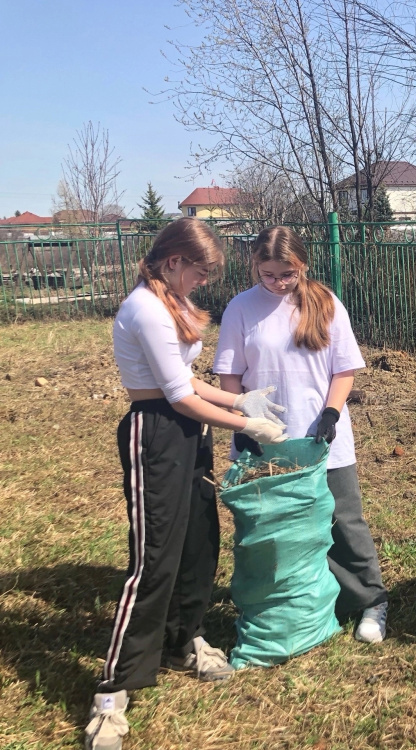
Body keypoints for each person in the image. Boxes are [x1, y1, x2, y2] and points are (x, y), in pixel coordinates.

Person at [86, 218, 288, 750]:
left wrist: (239, 398)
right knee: (153, 561)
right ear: (175, 260)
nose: (201, 281)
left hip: (188, 430)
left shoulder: (168, 302)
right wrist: (247, 424)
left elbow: (189, 380)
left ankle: (184, 640)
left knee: (198, 541)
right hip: (155, 433)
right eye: (199, 271)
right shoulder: (146, 308)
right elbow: (174, 394)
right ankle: (111, 695)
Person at [214, 225, 389, 647]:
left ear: (302, 266)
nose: (277, 283)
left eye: (287, 274)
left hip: (320, 437)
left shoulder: (326, 303)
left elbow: (343, 369)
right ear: (254, 265)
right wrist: (244, 423)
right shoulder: (240, 308)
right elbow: (228, 375)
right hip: (264, 437)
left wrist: (331, 412)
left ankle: (370, 600)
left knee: (342, 517)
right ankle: (290, 600)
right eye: (268, 274)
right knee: (273, 524)